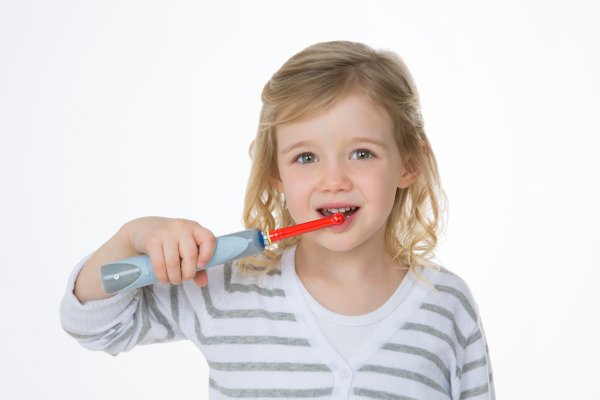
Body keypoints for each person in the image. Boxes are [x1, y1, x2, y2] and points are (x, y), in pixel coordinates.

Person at [60, 41, 495, 399]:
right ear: (277, 174)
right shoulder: (225, 287)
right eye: (306, 157)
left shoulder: (446, 305)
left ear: (409, 164)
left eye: (362, 153)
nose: (334, 180)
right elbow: (90, 323)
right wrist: (135, 234)